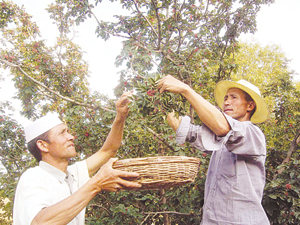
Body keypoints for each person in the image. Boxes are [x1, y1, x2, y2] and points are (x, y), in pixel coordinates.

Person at [13, 91, 141, 225]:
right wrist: (96, 184)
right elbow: (40, 223)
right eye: (62, 133)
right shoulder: (33, 177)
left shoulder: (73, 174)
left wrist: (120, 116)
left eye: (68, 131)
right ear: (43, 145)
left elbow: (108, 151)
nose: (71, 137)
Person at [157, 75, 270, 225]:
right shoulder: (222, 139)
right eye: (226, 98)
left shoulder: (253, 134)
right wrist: (162, 104)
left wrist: (185, 89)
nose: (227, 102)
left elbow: (222, 127)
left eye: (234, 97)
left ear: (249, 106)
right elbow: (191, 133)